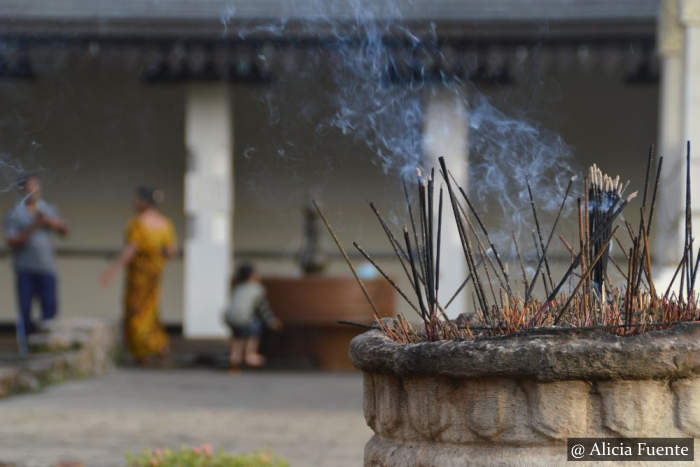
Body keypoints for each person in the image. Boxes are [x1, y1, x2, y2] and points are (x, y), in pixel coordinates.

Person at [100, 186, 176, 365]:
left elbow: (130, 250)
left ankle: (142, 354)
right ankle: (160, 347)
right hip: (155, 275)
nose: (134, 203)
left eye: (136, 199)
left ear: (144, 202)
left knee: (136, 312)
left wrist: (111, 271)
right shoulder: (166, 224)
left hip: (139, 277)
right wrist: (157, 253)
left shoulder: (137, 224)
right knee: (151, 311)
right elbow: (171, 252)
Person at [4, 174, 68, 354]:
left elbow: (65, 230)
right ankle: (27, 349)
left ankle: (48, 348)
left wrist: (51, 222)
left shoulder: (48, 209)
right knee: (25, 310)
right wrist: (34, 225)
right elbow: (12, 241)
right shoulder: (15, 214)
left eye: (37, 186)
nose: (35, 190)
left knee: (50, 308)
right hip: (25, 269)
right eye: (31, 187)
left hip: (46, 268)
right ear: (23, 190)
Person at [224, 264, 281, 369]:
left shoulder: (239, 287)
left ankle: (235, 356)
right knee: (255, 328)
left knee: (238, 335)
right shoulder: (257, 289)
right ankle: (250, 354)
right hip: (243, 317)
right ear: (252, 276)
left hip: (229, 317)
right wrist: (271, 321)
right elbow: (263, 308)